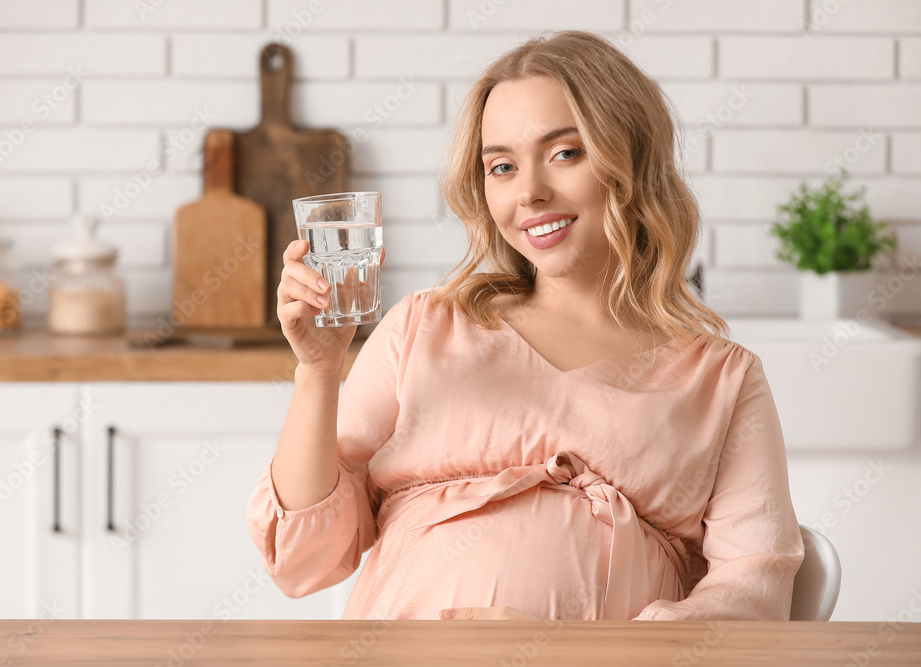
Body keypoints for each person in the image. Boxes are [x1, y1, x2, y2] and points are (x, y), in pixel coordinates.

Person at [247, 30, 804, 622]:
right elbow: (302, 562)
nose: (530, 193)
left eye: (565, 153)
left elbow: (755, 589)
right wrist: (318, 369)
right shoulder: (423, 327)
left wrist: (593, 655)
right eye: (502, 167)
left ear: (633, 161)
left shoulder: (721, 377)